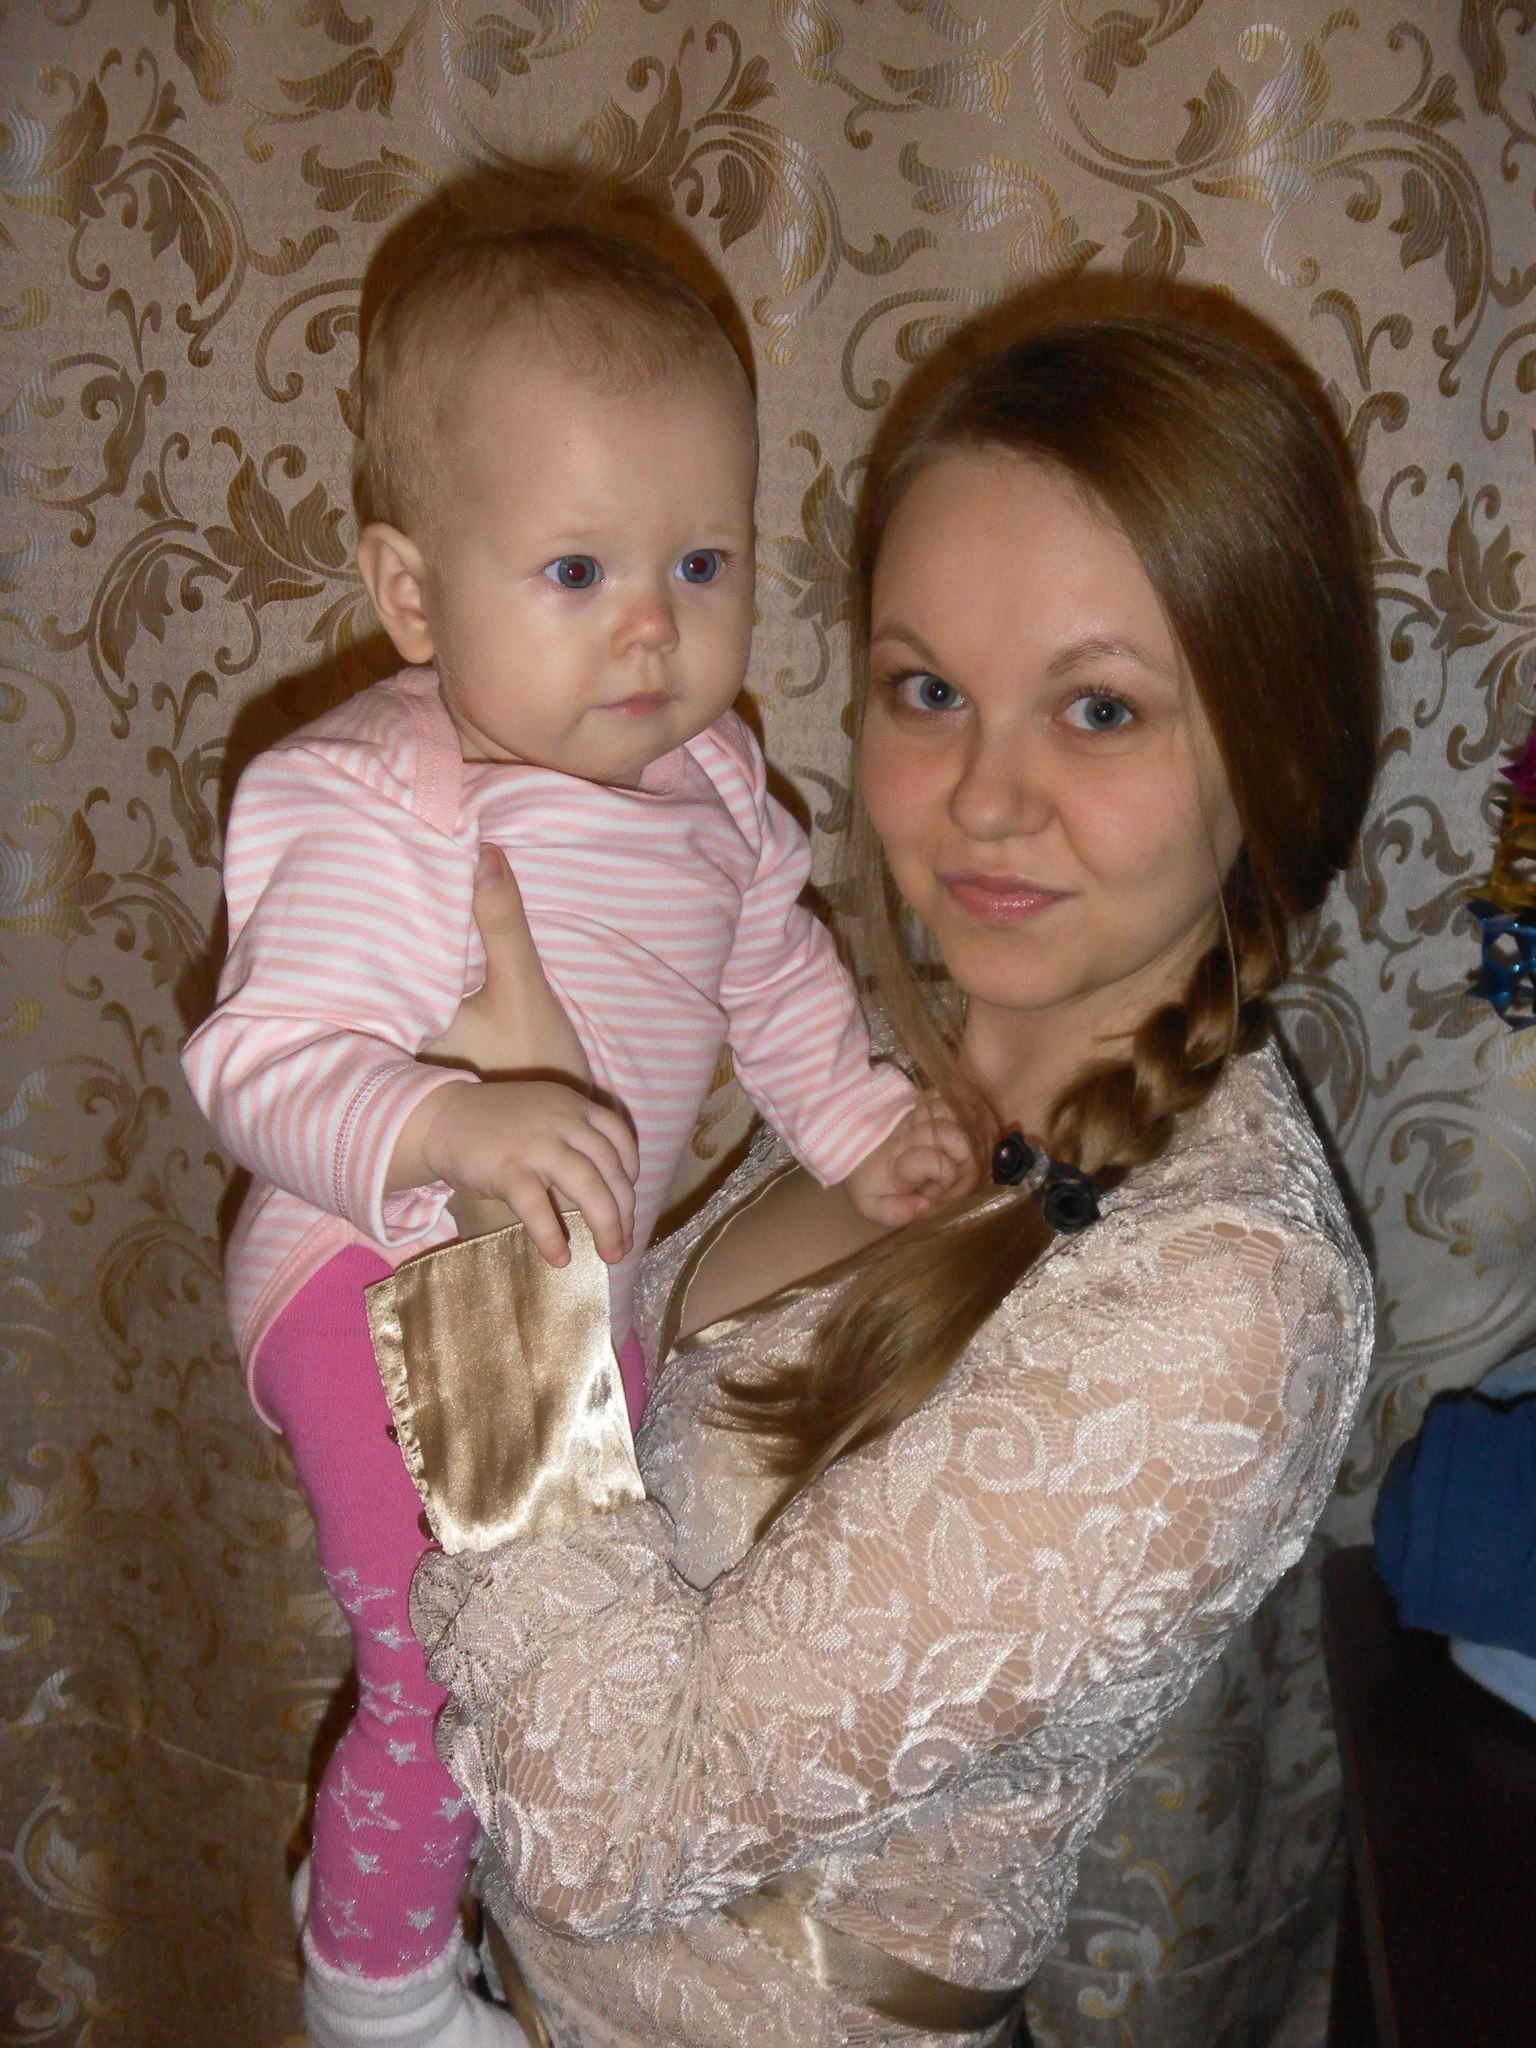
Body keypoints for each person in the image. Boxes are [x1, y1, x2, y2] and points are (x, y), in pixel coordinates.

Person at [396, 309, 1382, 2047]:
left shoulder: (1228, 1303)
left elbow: (608, 1826)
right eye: (929, 690)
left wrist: (507, 1258)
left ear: (1276, 755)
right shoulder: (904, 1057)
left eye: (1099, 709)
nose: (985, 801)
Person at [180, 224, 965, 2048]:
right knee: (447, 1673)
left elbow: (777, 984)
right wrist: (445, 1115)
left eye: (701, 561)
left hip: (557, 1284)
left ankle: (457, 1911)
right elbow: (253, 1063)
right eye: (576, 570)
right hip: (372, 1272)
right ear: (412, 593)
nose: (653, 625)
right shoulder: (378, 792)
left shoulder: (718, 789)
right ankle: (373, 1995)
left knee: (572, 1646)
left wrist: (865, 1129)